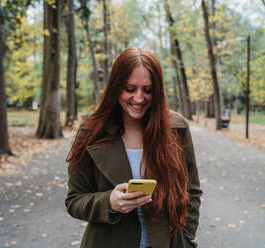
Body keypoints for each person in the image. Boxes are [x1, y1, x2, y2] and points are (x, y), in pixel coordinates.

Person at [65, 47, 202, 248]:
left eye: (147, 90)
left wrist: (187, 236)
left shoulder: (176, 128)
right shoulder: (91, 132)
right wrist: (109, 203)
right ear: (116, 86)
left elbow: (192, 191)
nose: (139, 98)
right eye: (130, 89)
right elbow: (74, 201)